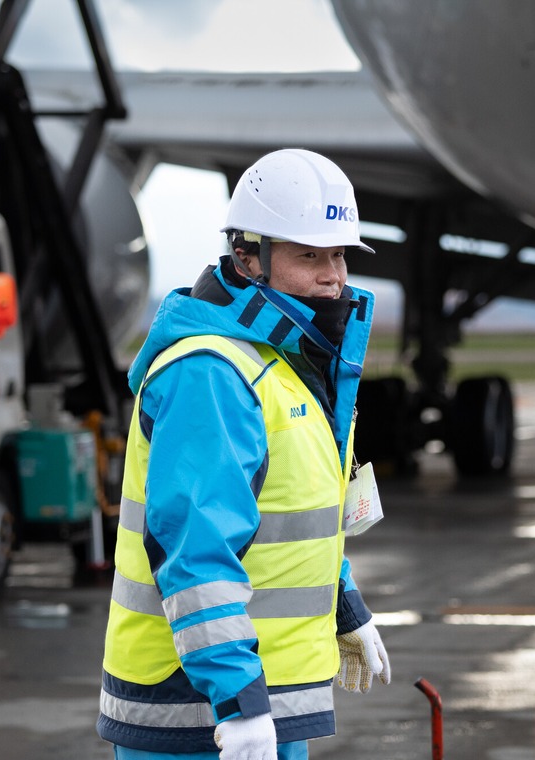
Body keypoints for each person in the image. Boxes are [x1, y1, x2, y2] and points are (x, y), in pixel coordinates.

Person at [97, 148, 391, 760]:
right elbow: (196, 552)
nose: (333, 275)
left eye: (338, 254)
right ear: (247, 256)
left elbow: (287, 517)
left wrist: (345, 605)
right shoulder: (213, 373)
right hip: (199, 714)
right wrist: (238, 703)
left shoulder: (285, 365)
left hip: (269, 705)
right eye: (310, 255)